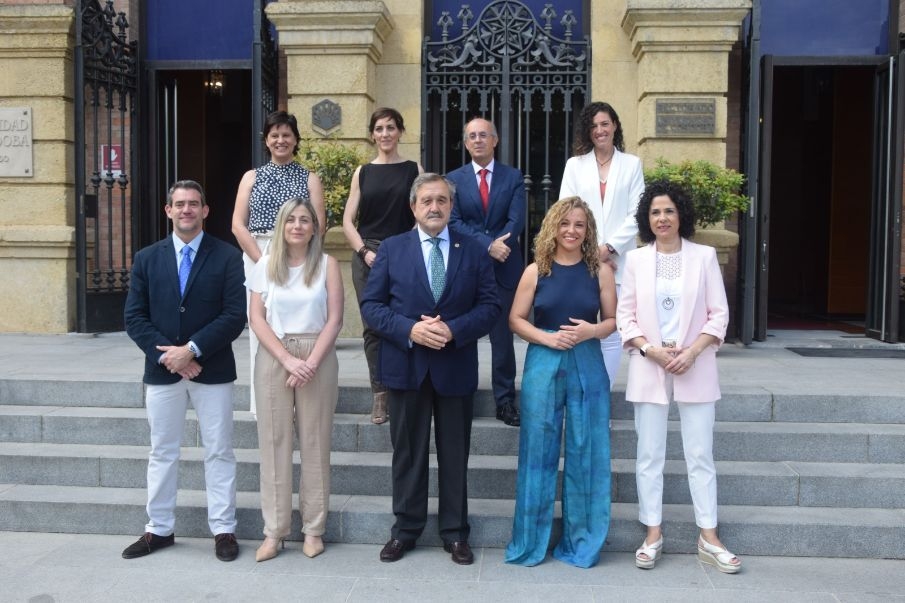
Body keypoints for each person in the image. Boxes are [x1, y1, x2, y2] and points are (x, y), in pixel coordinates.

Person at [360, 173, 500, 565]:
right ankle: (405, 530)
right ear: (413, 207)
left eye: (441, 200)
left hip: (454, 367)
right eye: (427, 201)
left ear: (451, 207)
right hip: (406, 366)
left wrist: (452, 330)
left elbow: (490, 308)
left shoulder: (472, 250)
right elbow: (371, 307)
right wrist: (411, 330)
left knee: (455, 454)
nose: (434, 207)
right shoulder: (391, 248)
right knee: (408, 453)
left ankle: (455, 533)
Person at [616, 180, 741, 574]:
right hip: (649, 364)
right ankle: (652, 533)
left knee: (700, 454)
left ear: (681, 214)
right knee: (649, 454)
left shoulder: (704, 257)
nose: (662, 218)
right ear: (646, 218)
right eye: (655, 212)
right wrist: (649, 349)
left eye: (669, 210)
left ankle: (709, 535)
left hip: (695, 364)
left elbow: (718, 314)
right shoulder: (635, 260)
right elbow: (625, 316)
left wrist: (692, 351)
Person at [122, 180, 246, 562]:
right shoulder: (147, 258)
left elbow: (234, 315)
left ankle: (223, 530)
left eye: (194, 204)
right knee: (162, 451)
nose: (187, 210)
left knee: (220, 451)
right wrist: (169, 356)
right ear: (168, 211)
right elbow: (134, 317)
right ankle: (158, 530)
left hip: (213, 370)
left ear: (206, 211)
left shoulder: (227, 256)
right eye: (180, 204)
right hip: (162, 372)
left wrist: (191, 350)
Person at [504, 196, 616, 568]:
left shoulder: (600, 270)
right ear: (553, 226)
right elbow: (516, 319)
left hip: (588, 362)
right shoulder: (536, 270)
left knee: (587, 452)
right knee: (537, 451)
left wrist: (591, 330)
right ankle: (530, 542)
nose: (571, 230)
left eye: (579, 225)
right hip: (543, 360)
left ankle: (581, 541)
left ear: (588, 231)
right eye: (565, 223)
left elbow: (613, 320)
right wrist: (547, 337)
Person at [246, 197, 343, 562]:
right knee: (274, 442)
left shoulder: (328, 265)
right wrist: (288, 359)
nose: (298, 226)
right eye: (291, 220)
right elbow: (257, 319)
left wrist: (311, 361)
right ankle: (274, 531)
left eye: (305, 220)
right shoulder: (264, 267)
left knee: (316, 443)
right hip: (275, 354)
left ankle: (314, 529)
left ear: (314, 227)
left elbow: (335, 319)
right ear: (282, 226)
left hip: (317, 353)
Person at [232, 110, 325, 417]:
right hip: (258, 254)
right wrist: (267, 263)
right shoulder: (251, 177)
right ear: (267, 140)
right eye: (275, 135)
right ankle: (265, 401)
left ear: (296, 140)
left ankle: (301, 399)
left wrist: (293, 261)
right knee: (262, 323)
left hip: (300, 255)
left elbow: (318, 226)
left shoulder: (309, 178)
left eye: (287, 135)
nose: (281, 140)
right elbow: (237, 225)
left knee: (296, 324)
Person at [342, 108, 423, 424]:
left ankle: (404, 388)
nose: (385, 133)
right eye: (379, 128)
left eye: (391, 127)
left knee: (404, 321)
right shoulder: (362, 172)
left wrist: (403, 250)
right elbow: (349, 220)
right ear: (372, 134)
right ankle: (380, 395)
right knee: (373, 327)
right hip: (368, 255)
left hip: (402, 253)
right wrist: (363, 251)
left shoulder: (413, 169)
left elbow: (422, 212)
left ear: (400, 131)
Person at [560, 101, 644, 387]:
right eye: (594, 126)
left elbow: (637, 213)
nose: (600, 130)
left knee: (611, 331)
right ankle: (577, 391)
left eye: (605, 124)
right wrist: (588, 252)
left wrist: (607, 249)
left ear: (615, 125)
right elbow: (566, 210)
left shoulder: (632, 164)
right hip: (579, 259)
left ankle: (600, 401)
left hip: (619, 261)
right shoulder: (575, 165)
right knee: (578, 326)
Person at [447, 117, 525, 427]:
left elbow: (515, 220)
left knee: (502, 338)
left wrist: (498, 246)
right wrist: (487, 245)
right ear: (466, 143)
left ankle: (505, 401)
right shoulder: (452, 179)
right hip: (467, 266)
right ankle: (461, 394)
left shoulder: (513, 177)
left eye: (484, 135)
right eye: (472, 136)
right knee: (463, 332)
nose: (478, 140)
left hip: (506, 266)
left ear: (494, 141)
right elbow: (453, 221)